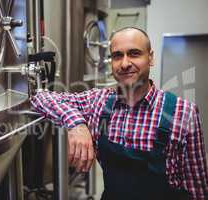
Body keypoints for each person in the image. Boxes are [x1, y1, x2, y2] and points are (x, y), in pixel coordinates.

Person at [30, 27, 208, 200]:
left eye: (134, 53)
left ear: (150, 58)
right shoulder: (98, 102)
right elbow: (40, 97)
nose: (124, 63)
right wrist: (76, 123)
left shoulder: (184, 112)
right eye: (117, 56)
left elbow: (197, 189)